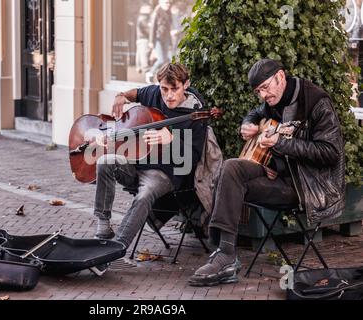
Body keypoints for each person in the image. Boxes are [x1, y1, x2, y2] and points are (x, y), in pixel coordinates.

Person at [189, 58, 346, 287]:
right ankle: (225, 254)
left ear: (281, 77)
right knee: (231, 167)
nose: (263, 95)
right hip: (275, 172)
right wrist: (248, 123)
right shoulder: (274, 98)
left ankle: (224, 254)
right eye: (258, 91)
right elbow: (256, 113)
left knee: (232, 184)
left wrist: (281, 143)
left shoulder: (316, 101)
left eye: (265, 88)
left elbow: (331, 152)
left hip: (305, 186)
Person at [93, 63, 222, 251]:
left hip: (167, 174)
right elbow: (136, 94)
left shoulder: (196, 113)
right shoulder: (155, 93)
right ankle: (103, 227)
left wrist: (171, 140)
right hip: (138, 163)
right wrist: (121, 96)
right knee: (105, 161)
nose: (168, 95)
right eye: (164, 89)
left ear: (186, 85)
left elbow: (191, 160)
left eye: (174, 89)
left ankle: (115, 248)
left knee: (144, 194)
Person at [145, 0, 173, 84]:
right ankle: (150, 73)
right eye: (166, 2)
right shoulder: (156, 13)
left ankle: (159, 79)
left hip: (166, 39)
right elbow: (152, 28)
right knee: (160, 59)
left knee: (165, 60)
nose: (168, 4)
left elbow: (168, 29)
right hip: (158, 39)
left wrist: (170, 42)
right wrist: (151, 41)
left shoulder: (168, 13)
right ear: (160, 3)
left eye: (169, 3)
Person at [135, 4, 152, 74]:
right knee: (143, 54)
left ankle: (138, 67)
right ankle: (146, 69)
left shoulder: (141, 17)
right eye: (149, 8)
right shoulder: (144, 18)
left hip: (140, 38)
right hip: (144, 38)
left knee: (139, 53)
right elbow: (146, 29)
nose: (150, 9)